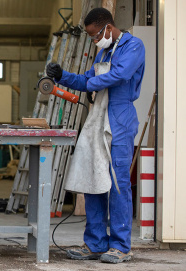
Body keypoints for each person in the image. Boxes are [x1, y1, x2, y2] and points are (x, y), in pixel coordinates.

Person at [46, 8, 145, 264]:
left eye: (94, 35)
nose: (93, 40)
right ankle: (96, 244)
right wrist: (62, 77)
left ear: (108, 29)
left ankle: (121, 246)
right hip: (98, 117)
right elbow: (87, 79)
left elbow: (119, 75)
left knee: (118, 183)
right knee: (94, 181)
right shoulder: (103, 52)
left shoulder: (134, 46)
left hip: (119, 118)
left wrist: (89, 86)